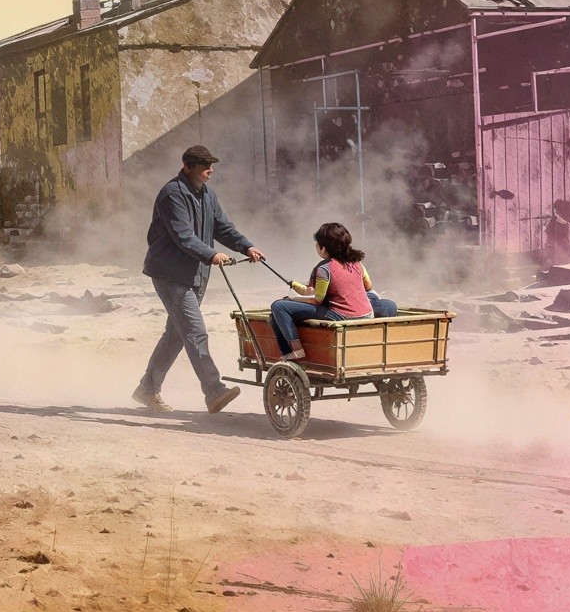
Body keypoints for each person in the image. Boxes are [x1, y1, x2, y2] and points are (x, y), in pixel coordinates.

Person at [136, 144, 264, 413]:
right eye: (205, 166)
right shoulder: (172, 195)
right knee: (194, 331)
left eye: (211, 165)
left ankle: (147, 388)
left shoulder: (207, 194)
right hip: (170, 274)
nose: (211, 170)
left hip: (195, 274)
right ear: (187, 167)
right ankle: (214, 390)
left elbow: (222, 227)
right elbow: (183, 236)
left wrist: (246, 246)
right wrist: (211, 254)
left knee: (176, 335)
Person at [269, 221, 396, 361]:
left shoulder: (324, 269)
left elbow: (317, 300)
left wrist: (291, 300)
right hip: (367, 314)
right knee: (387, 303)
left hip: (342, 317)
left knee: (279, 306)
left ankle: (295, 351)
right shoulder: (357, 263)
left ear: (323, 248)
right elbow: (368, 287)